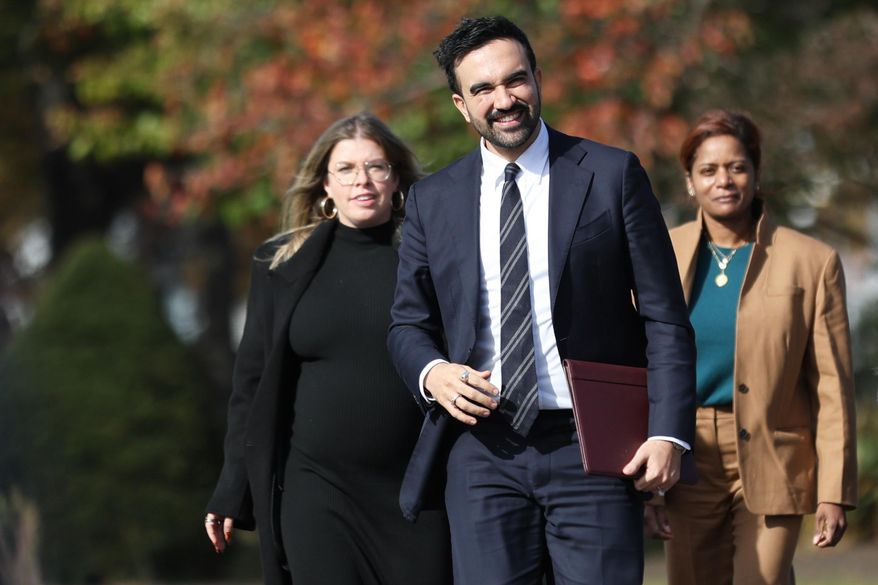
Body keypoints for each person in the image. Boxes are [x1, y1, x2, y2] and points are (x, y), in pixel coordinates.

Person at [387, 16, 696, 585]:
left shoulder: (611, 174)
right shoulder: (433, 200)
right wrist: (434, 374)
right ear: (461, 105)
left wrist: (669, 429)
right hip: (481, 449)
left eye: (515, 80)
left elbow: (664, 317)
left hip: (594, 447)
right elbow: (407, 325)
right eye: (483, 89)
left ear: (538, 79)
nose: (503, 100)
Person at [204, 113, 452, 585]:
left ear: (396, 179)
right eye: (346, 169)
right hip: (317, 489)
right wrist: (232, 486)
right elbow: (250, 387)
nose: (363, 180)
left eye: (377, 167)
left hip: (418, 493)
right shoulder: (280, 264)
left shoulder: (433, 259)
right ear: (325, 184)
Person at [645, 109, 858, 585]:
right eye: (708, 170)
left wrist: (833, 490)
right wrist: (648, 489)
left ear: (756, 173)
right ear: (689, 182)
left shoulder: (812, 262)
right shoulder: (659, 253)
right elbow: (640, 367)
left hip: (775, 453)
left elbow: (831, 386)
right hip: (686, 454)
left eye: (737, 167)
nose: (724, 180)